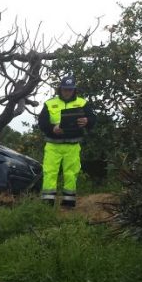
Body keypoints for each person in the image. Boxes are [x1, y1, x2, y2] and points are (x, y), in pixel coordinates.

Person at [37, 76, 97, 208]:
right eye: (65, 89)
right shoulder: (49, 103)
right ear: (60, 89)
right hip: (53, 145)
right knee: (49, 172)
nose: (67, 92)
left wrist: (87, 121)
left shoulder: (82, 103)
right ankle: (47, 204)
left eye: (70, 89)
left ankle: (68, 203)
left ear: (74, 90)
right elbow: (41, 123)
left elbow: (93, 119)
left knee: (71, 174)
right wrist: (52, 128)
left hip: (73, 145)